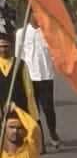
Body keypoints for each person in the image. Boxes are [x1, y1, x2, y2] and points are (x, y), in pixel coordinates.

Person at [15, 15, 60, 149]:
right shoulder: (21, 33)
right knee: (34, 111)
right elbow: (19, 56)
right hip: (29, 77)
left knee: (48, 109)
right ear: (29, 16)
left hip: (46, 76)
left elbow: (54, 53)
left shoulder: (47, 32)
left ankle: (52, 133)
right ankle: (40, 141)